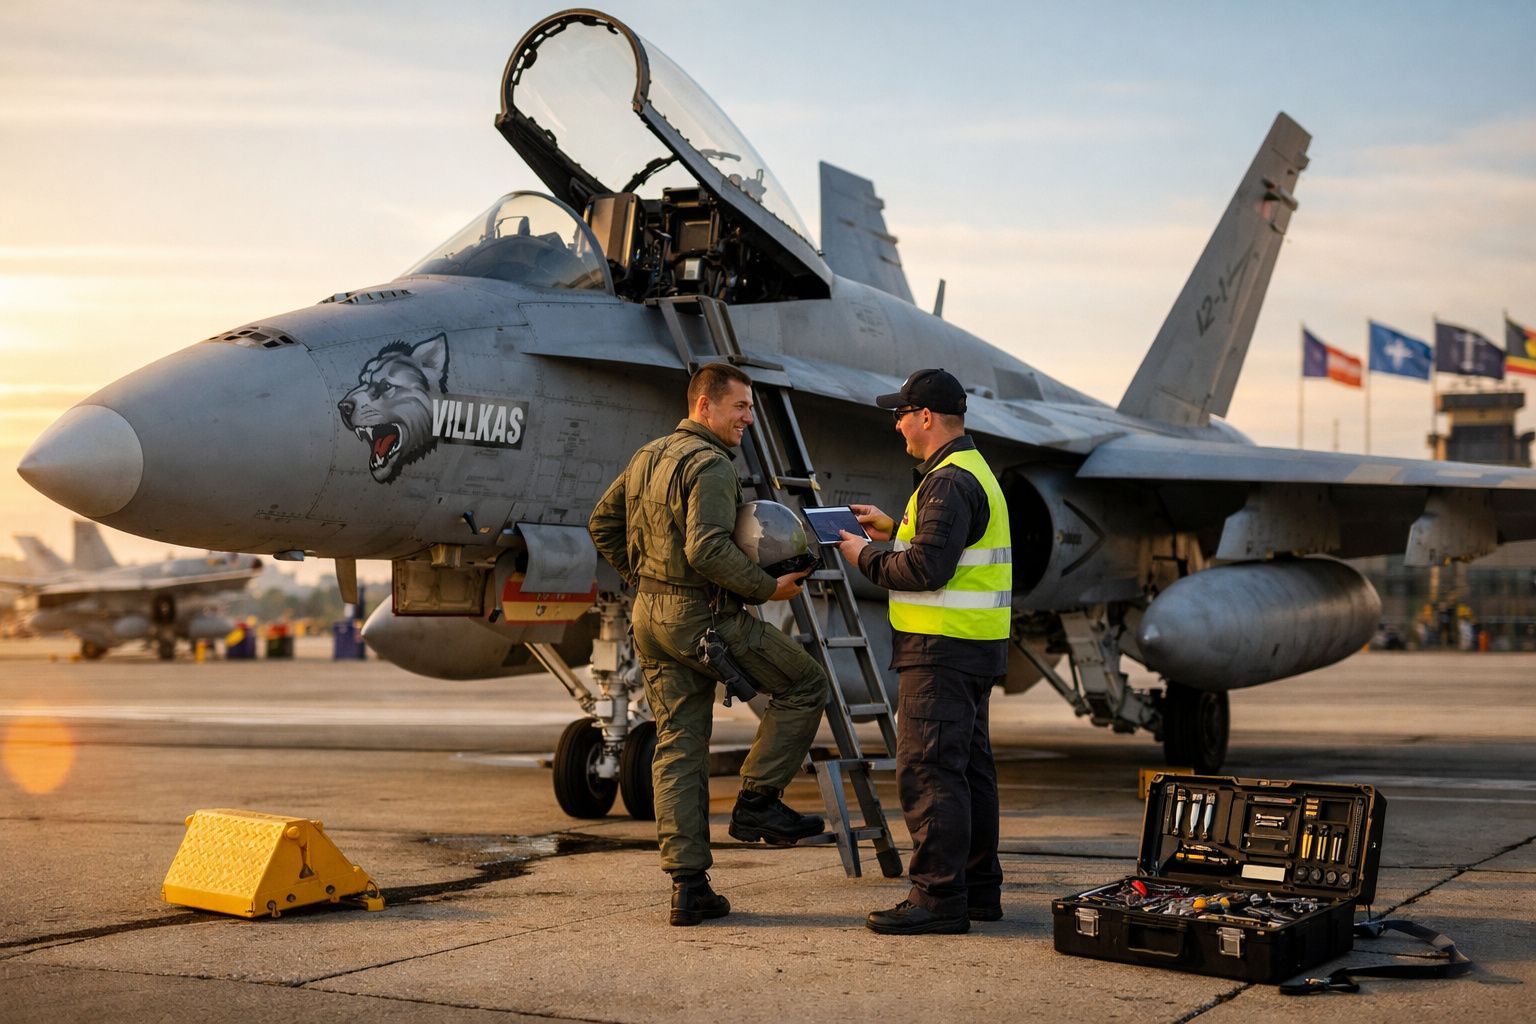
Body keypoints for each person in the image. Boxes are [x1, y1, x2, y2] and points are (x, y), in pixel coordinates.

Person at [588, 362, 830, 927]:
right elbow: (707, 550)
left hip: (651, 617)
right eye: (740, 407)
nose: (749, 418)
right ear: (706, 407)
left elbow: (602, 521)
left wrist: (644, 577)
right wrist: (769, 587)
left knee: (678, 744)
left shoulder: (648, 455)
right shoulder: (711, 464)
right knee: (806, 683)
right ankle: (758, 804)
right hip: (703, 618)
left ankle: (689, 888)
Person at [835, 368, 1012, 935]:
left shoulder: (947, 482)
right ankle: (978, 890)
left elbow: (926, 569)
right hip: (971, 647)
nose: (896, 424)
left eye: (901, 414)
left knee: (929, 771)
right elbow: (945, 553)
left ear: (926, 417)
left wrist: (862, 555)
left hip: (941, 653)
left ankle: (937, 898)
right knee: (967, 771)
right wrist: (892, 530)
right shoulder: (969, 471)